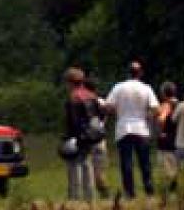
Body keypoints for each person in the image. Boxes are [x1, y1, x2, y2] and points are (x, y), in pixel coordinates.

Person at [105, 61, 159, 198]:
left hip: (123, 128)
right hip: (141, 128)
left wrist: (118, 111)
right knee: (144, 162)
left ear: (128, 73)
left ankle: (130, 192)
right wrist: (147, 115)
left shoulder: (118, 87)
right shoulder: (146, 88)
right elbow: (156, 109)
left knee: (126, 162)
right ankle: (148, 188)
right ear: (140, 73)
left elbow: (108, 107)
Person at [63, 67, 103, 201]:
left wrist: (69, 138)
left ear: (70, 82)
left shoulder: (73, 98)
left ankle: (75, 199)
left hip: (78, 137)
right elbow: (100, 115)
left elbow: (72, 122)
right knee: (88, 165)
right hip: (92, 136)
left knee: (75, 167)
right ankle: (90, 198)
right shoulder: (92, 96)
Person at [85, 77, 110, 198]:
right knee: (100, 169)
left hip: (87, 138)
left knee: (87, 168)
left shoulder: (84, 101)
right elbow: (104, 119)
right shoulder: (101, 102)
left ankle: (91, 194)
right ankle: (103, 191)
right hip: (100, 138)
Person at [156, 81, 179, 190]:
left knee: (166, 164)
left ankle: (172, 185)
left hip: (166, 139)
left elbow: (161, 119)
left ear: (164, 93)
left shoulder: (166, 105)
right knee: (175, 163)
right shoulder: (179, 104)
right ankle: (176, 182)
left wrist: (160, 132)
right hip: (178, 138)